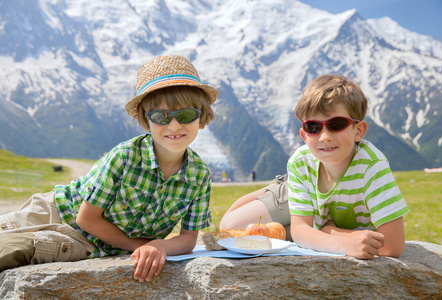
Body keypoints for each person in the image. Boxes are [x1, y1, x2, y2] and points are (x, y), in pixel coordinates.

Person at [0, 55, 218, 281]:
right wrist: (141, 246)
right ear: (146, 120)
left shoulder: (199, 175)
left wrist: (159, 247)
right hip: (56, 212)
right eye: (161, 116)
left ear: (201, 116)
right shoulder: (125, 157)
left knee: (11, 249)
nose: (174, 125)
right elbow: (86, 218)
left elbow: (188, 239)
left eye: (185, 115)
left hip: (86, 242)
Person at [221, 74, 409, 259]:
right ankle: (281, 186)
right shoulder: (301, 161)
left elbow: (392, 246)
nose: (324, 136)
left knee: (280, 237)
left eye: (336, 124)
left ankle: (311, 221)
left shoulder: (372, 167)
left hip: (317, 210)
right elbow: (301, 230)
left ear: (358, 131)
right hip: (305, 184)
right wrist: (341, 242)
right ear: (304, 136)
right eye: (313, 127)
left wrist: (326, 232)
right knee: (230, 226)